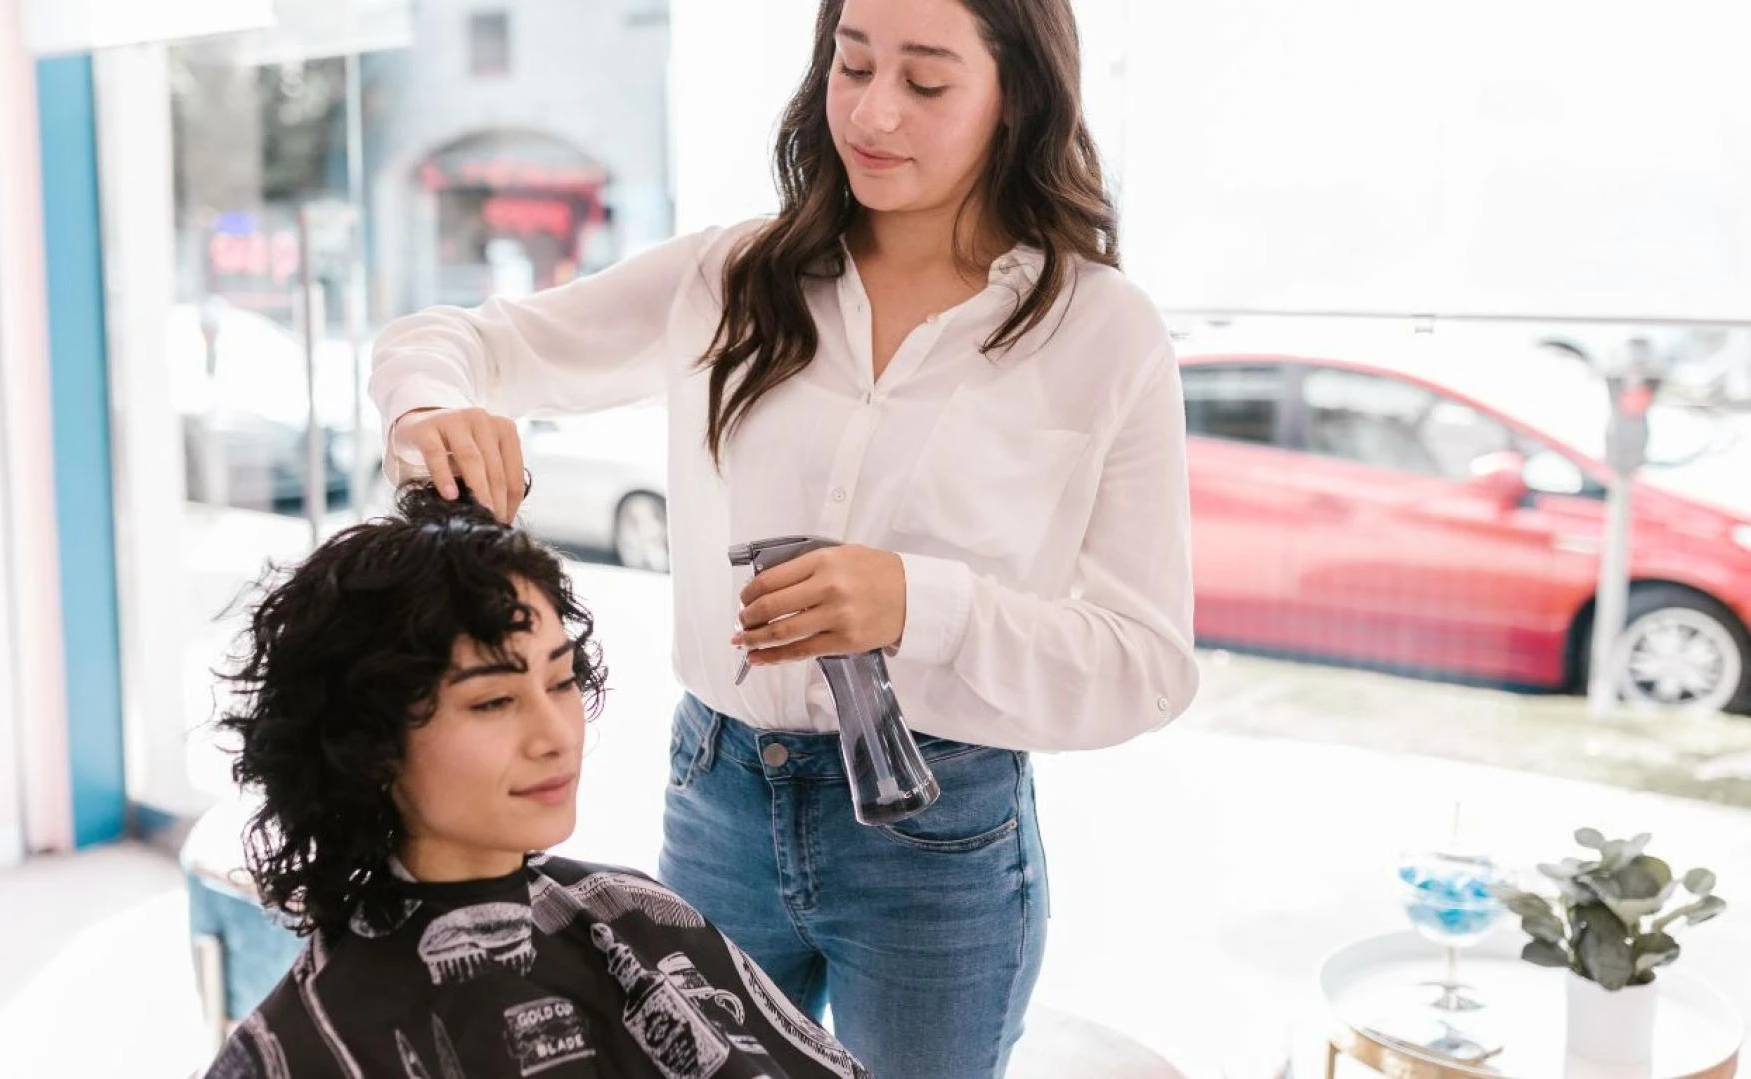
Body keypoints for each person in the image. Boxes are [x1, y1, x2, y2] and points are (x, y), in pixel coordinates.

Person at [368, 0, 1198, 1073]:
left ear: (1019, 97)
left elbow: (1149, 665)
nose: (874, 111)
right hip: (717, 797)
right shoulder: (732, 278)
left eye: (927, 82)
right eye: (851, 66)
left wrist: (918, 603)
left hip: (936, 839)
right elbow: (447, 342)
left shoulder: (1101, 330)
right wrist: (427, 408)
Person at [203, 484, 867, 1079]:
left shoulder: (627, 913)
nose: (555, 734)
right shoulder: (302, 1045)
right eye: (493, 701)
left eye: (560, 680)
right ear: (369, 743)